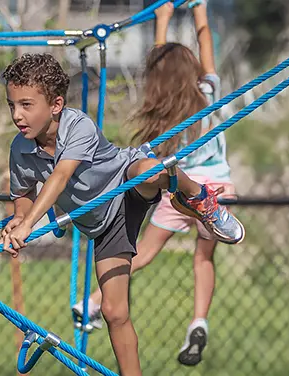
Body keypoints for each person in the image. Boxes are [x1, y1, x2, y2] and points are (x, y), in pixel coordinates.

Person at [0, 48, 243, 374]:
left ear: (56, 105)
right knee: (115, 311)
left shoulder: (77, 126)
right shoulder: (21, 148)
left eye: (26, 105)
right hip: (103, 224)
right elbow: (23, 192)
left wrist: (29, 223)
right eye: (12, 105)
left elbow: (60, 176)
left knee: (153, 170)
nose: (17, 114)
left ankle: (199, 198)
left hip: (125, 182)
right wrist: (19, 216)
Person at [72, 0, 236, 367]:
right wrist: (200, 12)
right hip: (216, 188)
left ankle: (95, 300)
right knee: (203, 257)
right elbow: (206, 46)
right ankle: (199, 320)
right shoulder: (207, 94)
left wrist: (161, 19)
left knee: (142, 251)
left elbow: (157, 67)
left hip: (180, 187)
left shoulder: (163, 110)